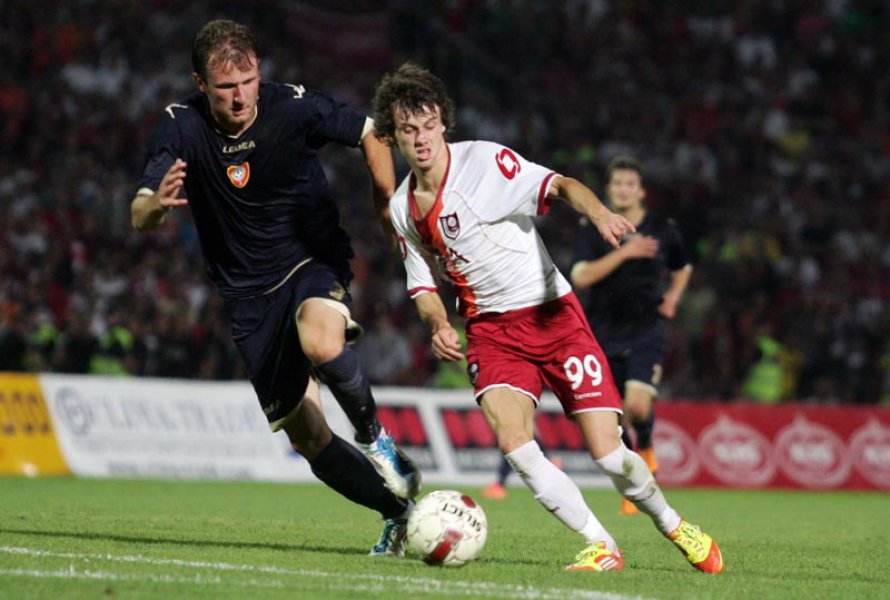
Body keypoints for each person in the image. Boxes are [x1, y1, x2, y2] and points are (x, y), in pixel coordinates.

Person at [372, 63, 723, 573]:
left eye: (428, 126)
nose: (421, 139)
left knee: (608, 454)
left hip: (553, 318)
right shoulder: (404, 208)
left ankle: (672, 522)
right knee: (515, 444)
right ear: (393, 134)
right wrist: (438, 324)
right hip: (491, 333)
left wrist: (599, 213)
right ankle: (600, 543)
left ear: (444, 122)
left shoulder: (485, 163)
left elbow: (559, 184)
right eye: (408, 129)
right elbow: (422, 283)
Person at [131, 19, 420, 557]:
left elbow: (370, 131)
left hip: (310, 260)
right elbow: (140, 211)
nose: (241, 97)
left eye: (248, 82)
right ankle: (399, 513)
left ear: (259, 72)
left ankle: (376, 439)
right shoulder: (181, 126)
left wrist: (385, 205)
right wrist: (154, 205)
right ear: (200, 84)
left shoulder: (291, 105)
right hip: (247, 297)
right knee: (309, 439)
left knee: (321, 342)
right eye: (226, 88)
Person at [570, 156, 693, 515]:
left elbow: (683, 266)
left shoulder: (662, 229)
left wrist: (673, 297)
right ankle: (634, 484)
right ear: (608, 189)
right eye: (617, 183)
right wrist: (625, 252)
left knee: (637, 408)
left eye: (630, 184)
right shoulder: (593, 227)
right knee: (614, 416)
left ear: (641, 192)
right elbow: (580, 276)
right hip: (603, 331)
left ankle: (648, 446)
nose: (623, 189)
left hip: (646, 329)